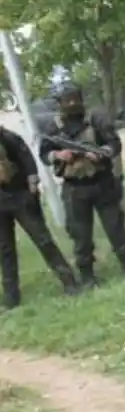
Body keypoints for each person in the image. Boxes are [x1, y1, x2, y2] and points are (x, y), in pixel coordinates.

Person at [41, 82, 125, 285]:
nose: (72, 103)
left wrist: (101, 153)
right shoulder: (53, 126)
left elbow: (114, 144)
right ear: (59, 103)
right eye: (67, 100)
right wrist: (59, 154)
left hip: (102, 183)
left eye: (75, 98)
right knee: (81, 235)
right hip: (74, 188)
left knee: (115, 228)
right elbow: (44, 153)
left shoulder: (96, 119)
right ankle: (87, 276)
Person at [0, 123, 79, 308]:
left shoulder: (8, 138)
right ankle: (11, 297)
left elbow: (28, 162)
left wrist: (32, 189)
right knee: (5, 250)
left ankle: (69, 282)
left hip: (19, 196)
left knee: (42, 240)